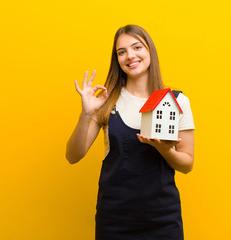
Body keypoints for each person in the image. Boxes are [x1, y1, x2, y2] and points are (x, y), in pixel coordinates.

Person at [66, 24, 195, 240]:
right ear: (117, 60)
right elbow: (73, 155)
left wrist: (165, 150)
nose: (130, 56)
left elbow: (187, 164)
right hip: (115, 220)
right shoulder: (107, 102)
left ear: (149, 51)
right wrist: (87, 113)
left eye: (137, 47)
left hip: (163, 219)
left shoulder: (177, 101)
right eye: (121, 52)